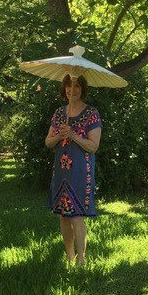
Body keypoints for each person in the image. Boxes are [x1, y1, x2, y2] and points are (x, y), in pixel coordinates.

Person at [45, 74, 102, 267]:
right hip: (61, 171)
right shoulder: (59, 113)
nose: (73, 90)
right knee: (63, 215)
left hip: (80, 171)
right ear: (65, 89)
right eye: (69, 86)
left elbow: (93, 146)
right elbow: (48, 142)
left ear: (82, 89)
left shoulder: (91, 113)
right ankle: (69, 256)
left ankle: (82, 260)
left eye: (77, 86)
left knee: (77, 216)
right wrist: (59, 135)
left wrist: (74, 135)